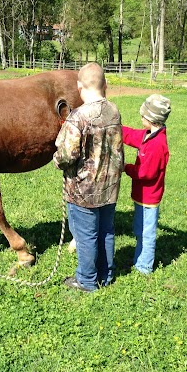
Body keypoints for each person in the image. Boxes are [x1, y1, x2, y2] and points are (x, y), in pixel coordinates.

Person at [53, 62, 124, 292]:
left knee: (86, 236)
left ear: (79, 87)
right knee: (106, 231)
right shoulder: (114, 110)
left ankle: (86, 280)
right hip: (110, 187)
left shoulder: (78, 117)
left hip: (83, 191)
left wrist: (56, 159)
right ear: (105, 85)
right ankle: (106, 274)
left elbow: (67, 155)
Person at [122, 94, 171, 274]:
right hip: (141, 196)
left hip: (149, 199)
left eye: (143, 116)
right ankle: (139, 258)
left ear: (151, 119)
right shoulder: (148, 135)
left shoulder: (157, 144)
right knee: (139, 229)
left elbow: (145, 173)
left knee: (147, 233)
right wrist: (115, 128)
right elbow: (132, 135)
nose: (141, 118)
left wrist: (126, 168)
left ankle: (144, 267)